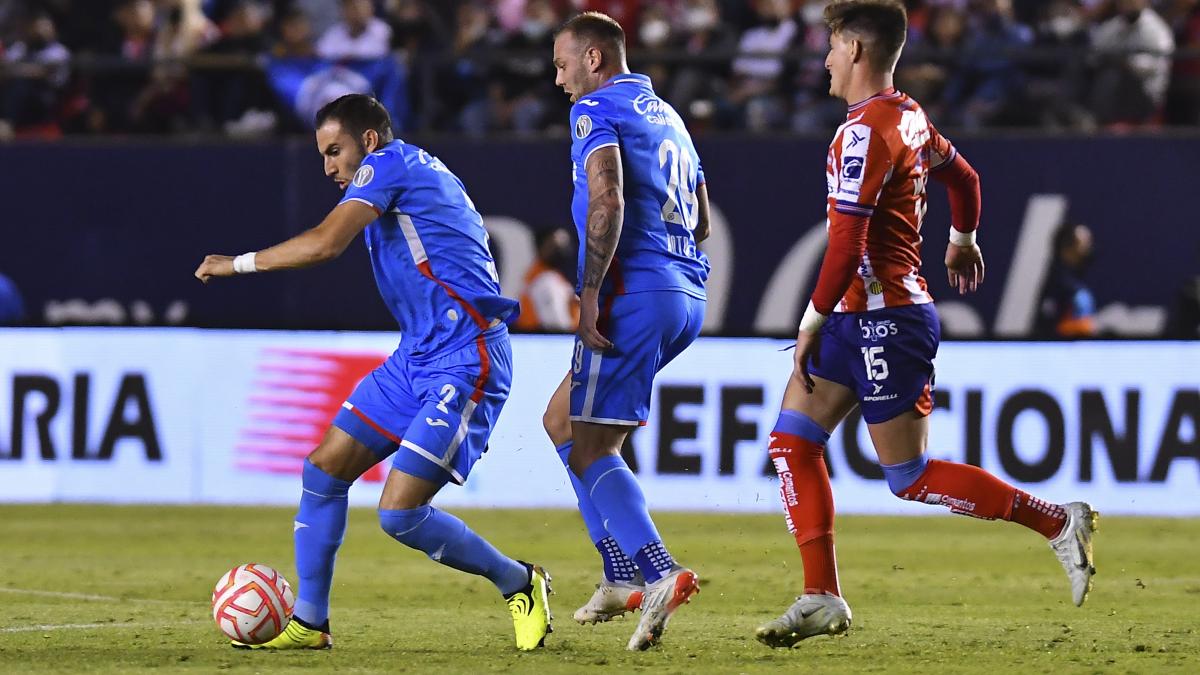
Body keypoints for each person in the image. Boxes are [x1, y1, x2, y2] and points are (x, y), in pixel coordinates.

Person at [753, 0, 1098, 649]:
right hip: (859, 315)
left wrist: (807, 322)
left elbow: (848, 241)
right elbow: (963, 177)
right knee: (792, 444)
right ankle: (821, 594)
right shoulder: (909, 116)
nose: (824, 60)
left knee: (907, 477)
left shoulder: (863, 131)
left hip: (886, 320)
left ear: (854, 49)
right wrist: (961, 236)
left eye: (830, 46)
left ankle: (1057, 521)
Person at [193, 94, 552, 652]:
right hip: (415, 358)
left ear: (368, 140)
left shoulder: (389, 165)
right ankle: (310, 622)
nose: (328, 167)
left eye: (334, 151)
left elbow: (324, 244)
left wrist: (232, 264)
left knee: (400, 515)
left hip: (466, 356)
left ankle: (519, 581)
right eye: (321, 156)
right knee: (323, 470)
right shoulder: (403, 171)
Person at [544, 12, 711, 651]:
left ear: (592, 58)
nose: (558, 80)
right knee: (563, 421)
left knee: (592, 448)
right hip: (687, 292)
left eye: (562, 65)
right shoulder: (669, 115)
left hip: (633, 292)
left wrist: (589, 293)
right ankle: (619, 575)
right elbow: (700, 222)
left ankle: (658, 570)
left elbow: (607, 199)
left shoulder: (594, 112)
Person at [1036, 222, 1098, 338]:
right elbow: (1048, 327)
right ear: (1067, 248)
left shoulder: (1077, 280)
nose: (1088, 248)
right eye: (1084, 243)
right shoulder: (1057, 283)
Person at [514, 227, 579, 332]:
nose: (560, 250)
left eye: (563, 245)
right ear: (541, 247)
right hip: (541, 339)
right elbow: (557, 326)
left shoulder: (548, 275)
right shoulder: (546, 281)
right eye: (554, 246)